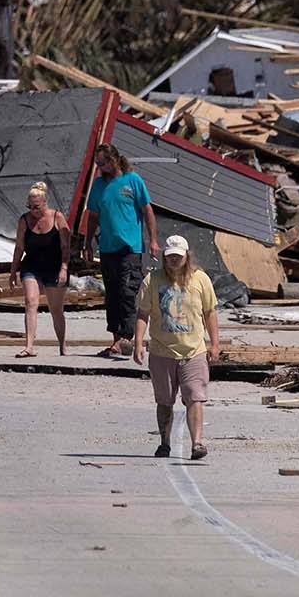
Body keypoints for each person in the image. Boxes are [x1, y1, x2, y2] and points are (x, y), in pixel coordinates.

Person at [134, 235, 221, 461]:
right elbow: (143, 313)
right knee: (165, 401)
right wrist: (138, 342)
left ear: (186, 256)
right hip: (162, 351)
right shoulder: (152, 280)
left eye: (178, 256)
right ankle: (165, 443)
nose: (174, 260)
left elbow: (210, 312)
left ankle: (197, 443)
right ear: (164, 257)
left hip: (194, 351)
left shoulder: (200, 279)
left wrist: (215, 344)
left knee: (195, 397)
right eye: (170, 256)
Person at [78, 143, 155, 360]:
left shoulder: (132, 181)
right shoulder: (99, 185)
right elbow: (93, 216)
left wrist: (153, 241)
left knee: (127, 291)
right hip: (107, 247)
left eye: (102, 162)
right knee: (111, 294)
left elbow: (147, 210)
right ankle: (115, 340)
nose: (100, 166)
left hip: (130, 247)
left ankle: (128, 338)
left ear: (114, 160)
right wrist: (87, 243)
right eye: (97, 163)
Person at [9, 181, 71, 357]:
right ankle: (29, 346)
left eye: (36, 207)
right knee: (30, 301)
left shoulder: (57, 217)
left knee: (56, 308)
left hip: (54, 266)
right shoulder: (24, 220)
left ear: (45, 202)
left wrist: (64, 268)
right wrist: (13, 271)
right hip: (32, 266)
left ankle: (62, 345)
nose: (33, 210)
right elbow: (19, 248)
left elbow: (66, 247)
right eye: (30, 206)